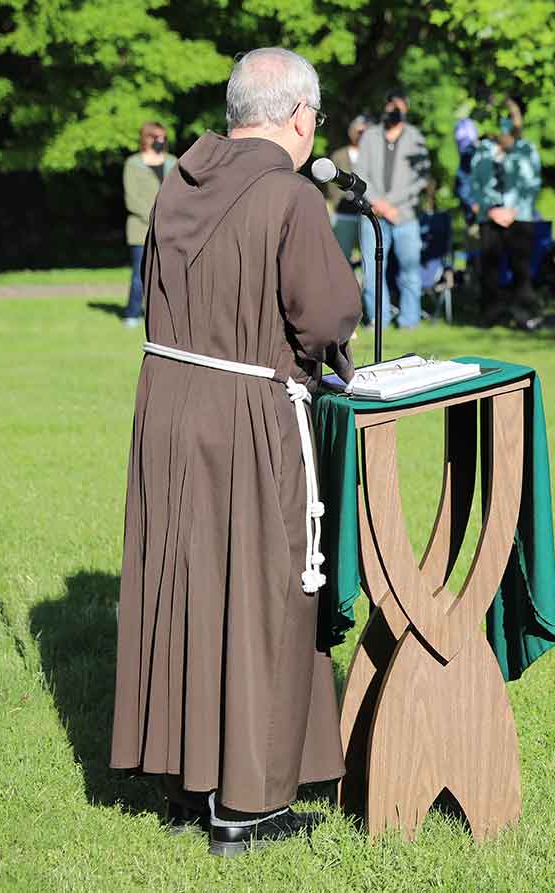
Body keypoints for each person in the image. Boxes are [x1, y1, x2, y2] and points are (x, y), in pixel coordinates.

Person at [111, 47, 360, 855]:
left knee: (189, 589)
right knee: (260, 594)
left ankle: (190, 781)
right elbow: (324, 319)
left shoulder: (179, 184)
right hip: (250, 409)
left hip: (169, 408)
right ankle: (247, 805)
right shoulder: (289, 196)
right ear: (299, 117)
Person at [355, 88, 430, 329]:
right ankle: (380, 320)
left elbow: (420, 179)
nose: (393, 110)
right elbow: (360, 173)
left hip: (404, 215)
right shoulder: (370, 136)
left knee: (410, 270)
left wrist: (390, 204)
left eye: (398, 106)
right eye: (390, 106)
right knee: (373, 270)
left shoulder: (416, 138)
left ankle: (410, 321)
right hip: (372, 214)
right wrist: (378, 203)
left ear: (406, 108)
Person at [467, 98, 544, 327]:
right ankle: (491, 315)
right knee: (489, 270)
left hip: (519, 218)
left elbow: (532, 184)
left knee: (521, 269)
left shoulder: (527, 150)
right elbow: (476, 185)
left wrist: (513, 210)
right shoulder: (483, 151)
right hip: (489, 218)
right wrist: (491, 209)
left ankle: (523, 315)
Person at [121, 122, 176, 327]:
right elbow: (132, 199)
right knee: (140, 274)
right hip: (141, 229)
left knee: (169, 274)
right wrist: (154, 217)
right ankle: (132, 313)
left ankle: (163, 315)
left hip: (170, 227)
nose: (161, 141)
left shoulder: (173, 162)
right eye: (156, 137)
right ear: (146, 138)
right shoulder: (133, 164)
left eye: (163, 137)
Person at [325, 115, 368, 268]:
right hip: (344, 214)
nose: (361, 136)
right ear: (351, 132)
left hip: (367, 214)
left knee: (370, 262)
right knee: (341, 261)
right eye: (359, 132)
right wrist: (339, 201)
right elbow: (331, 186)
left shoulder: (372, 155)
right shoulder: (339, 155)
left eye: (365, 132)